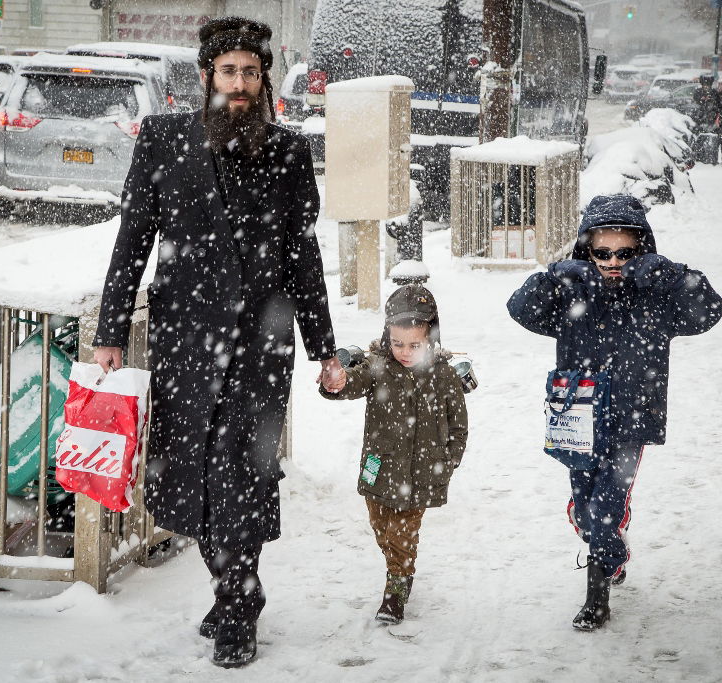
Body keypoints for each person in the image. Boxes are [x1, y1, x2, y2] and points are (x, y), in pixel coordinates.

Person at [92, 16, 345, 668]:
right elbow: (133, 242)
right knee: (195, 480)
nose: (238, 83)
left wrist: (325, 348)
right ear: (207, 76)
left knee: (239, 476)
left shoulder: (286, 152)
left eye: (250, 73)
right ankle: (229, 586)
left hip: (260, 344)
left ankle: (238, 606)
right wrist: (110, 333)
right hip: (184, 343)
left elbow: (302, 257)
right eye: (228, 71)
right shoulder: (164, 140)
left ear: (263, 81)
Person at [506, 194, 722, 631]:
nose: (612, 262)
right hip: (578, 418)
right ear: (586, 250)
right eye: (602, 252)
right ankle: (608, 544)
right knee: (587, 513)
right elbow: (520, 309)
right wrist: (552, 277)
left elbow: (709, 311)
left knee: (605, 506)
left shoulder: (655, 297)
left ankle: (598, 593)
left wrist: (672, 275)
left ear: (640, 249)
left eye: (624, 252)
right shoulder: (572, 293)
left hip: (631, 418)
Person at [319, 285, 468, 625]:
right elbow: (350, 384)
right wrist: (336, 382)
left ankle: (396, 589)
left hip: (420, 474)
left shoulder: (443, 375)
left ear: (430, 336)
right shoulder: (377, 367)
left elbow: (458, 427)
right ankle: (398, 563)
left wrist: (446, 464)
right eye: (398, 343)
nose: (405, 351)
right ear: (387, 335)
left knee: (402, 533)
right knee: (381, 528)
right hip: (380, 468)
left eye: (414, 345)